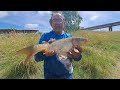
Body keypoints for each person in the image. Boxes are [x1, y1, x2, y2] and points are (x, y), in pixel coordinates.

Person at [34, 13, 83, 79]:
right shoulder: (45, 36)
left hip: (68, 75)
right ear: (51, 23)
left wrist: (76, 55)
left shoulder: (70, 38)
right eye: (54, 20)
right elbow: (37, 58)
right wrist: (45, 54)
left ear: (64, 23)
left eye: (60, 20)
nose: (57, 22)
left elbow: (78, 58)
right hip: (50, 76)